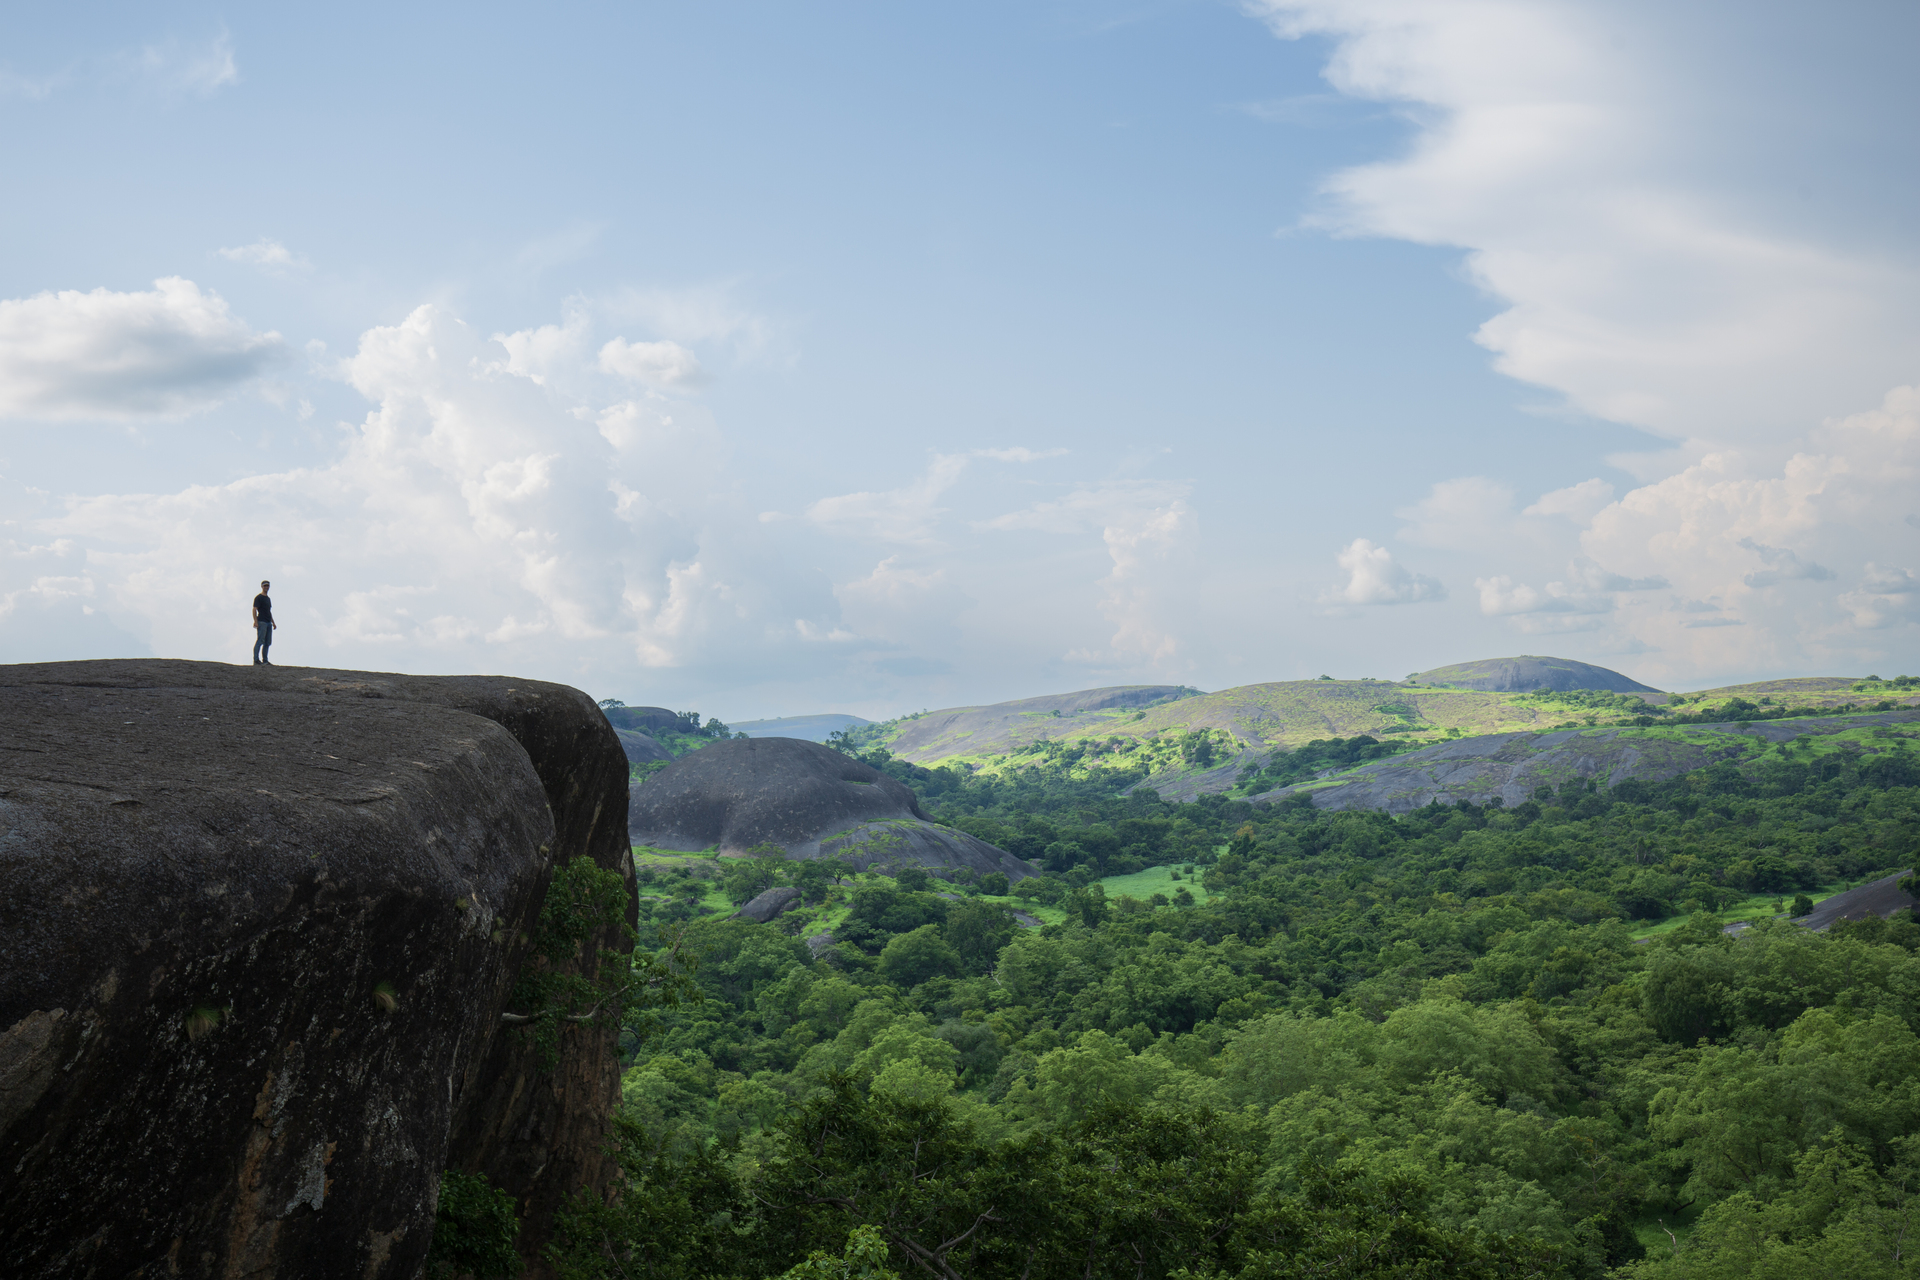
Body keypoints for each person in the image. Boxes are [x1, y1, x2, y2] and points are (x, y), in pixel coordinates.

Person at [251, 580, 276, 665]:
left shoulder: (268, 599)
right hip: (261, 621)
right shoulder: (259, 597)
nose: (266, 587)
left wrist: (273, 622)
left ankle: (265, 660)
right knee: (260, 640)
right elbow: (254, 609)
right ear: (262, 587)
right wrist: (255, 621)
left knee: (268, 642)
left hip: (268, 622)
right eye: (265, 586)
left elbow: (269, 611)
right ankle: (256, 660)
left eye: (267, 586)